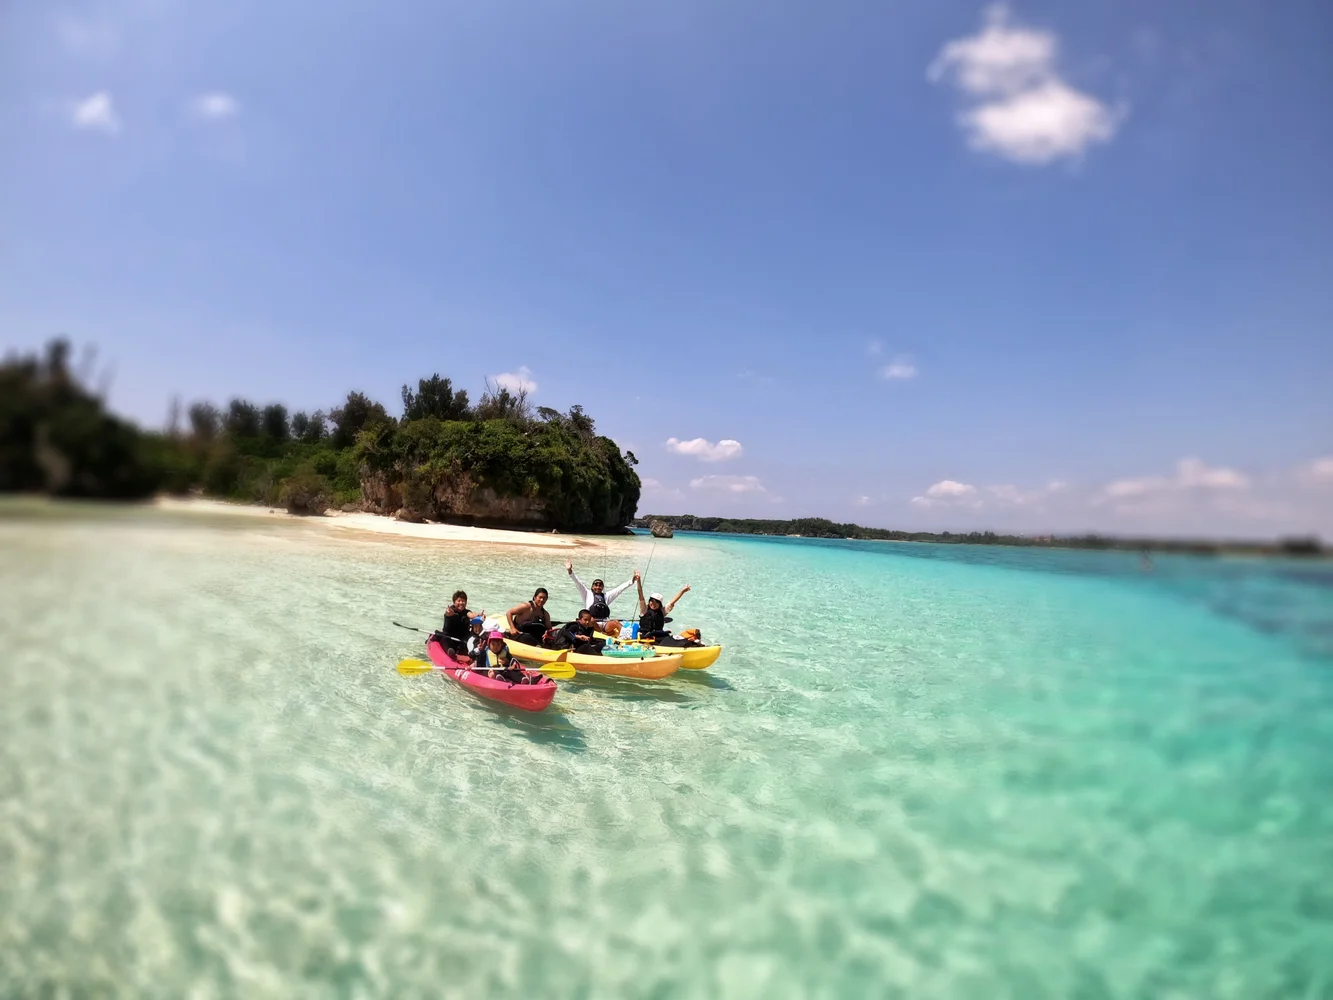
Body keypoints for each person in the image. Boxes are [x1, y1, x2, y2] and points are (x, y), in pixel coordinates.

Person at [564, 561, 636, 622]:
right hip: (591, 623)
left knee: (616, 623)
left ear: (602, 587)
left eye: (600, 585)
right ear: (592, 587)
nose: (598, 587)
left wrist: (632, 581)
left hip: (604, 622)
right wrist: (570, 571)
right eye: (596, 585)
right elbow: (578, 582)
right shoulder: (586, 594)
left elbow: (619, 589)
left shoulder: (606, 596)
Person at [634, 572, 691, 641]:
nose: (653, 604)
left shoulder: (662, 612)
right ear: (649, 602)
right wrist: (638, 581)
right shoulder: (644, 610)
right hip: (644, 637)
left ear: (660, 604)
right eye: (652, 601)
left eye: (656, 602)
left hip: (658, 637)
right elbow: (641, 595)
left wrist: (683, 591)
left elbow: (672, 602)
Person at [471, 631, 541, 684]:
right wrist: (479, 650)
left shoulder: (505, 651)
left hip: (505, 669)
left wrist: (511, 663)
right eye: (493, 644)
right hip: (492, 670)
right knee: (494, 673)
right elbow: (476, 660)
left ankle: (523, 679)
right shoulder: (484, 651)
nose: (496, 647)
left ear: (502, 644)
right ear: (489, 644)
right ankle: (501, 680)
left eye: (498, 644)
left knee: (512, 672)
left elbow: (512, 660)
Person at [439, 590, 485, 659]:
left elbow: (471, 615)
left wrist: (479, 615)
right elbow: (448, 613)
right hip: (450, 637)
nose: (461, 603)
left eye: (463, 601)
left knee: (473, 638)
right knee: (444, 639)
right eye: (459, 601)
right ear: (454, 602)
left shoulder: (466, 612)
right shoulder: (450, 610)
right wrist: (449, 614)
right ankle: (451, 653)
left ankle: (474, 654)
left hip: (462, 638)